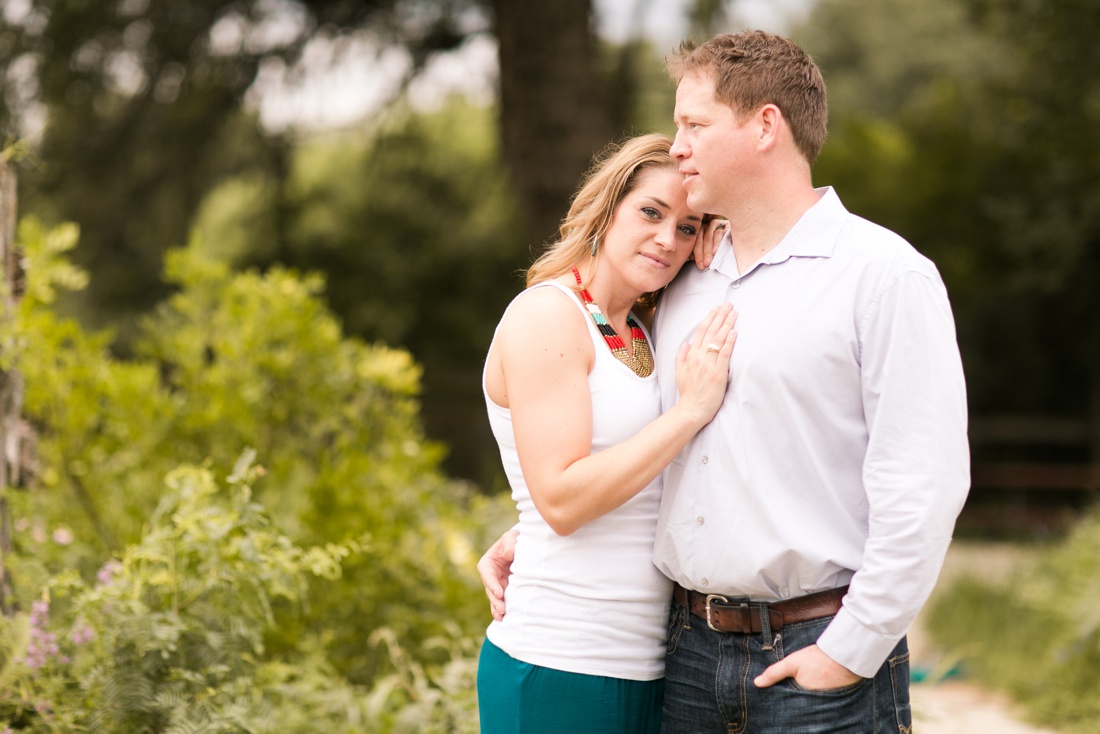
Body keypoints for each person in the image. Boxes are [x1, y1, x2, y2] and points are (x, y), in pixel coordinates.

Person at [480, 30, 970, 733]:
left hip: (817, 651)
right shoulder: (685, 279)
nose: (678, 144)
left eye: (694, 125)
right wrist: (532, 527)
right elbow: (637, 432)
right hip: (682, 658)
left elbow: (924, 482)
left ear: (765, 125)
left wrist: (852, 648)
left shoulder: (883, 275)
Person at [475, 132, 737, 734]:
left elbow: (628, 481)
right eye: (650, 212)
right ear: (608, 205)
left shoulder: (639, 327)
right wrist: (688, 412)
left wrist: (730, 244)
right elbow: (563, 500)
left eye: (689, 227)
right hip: (560, 664)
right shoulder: (548, 314)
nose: (667, 239)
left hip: (651, 668)